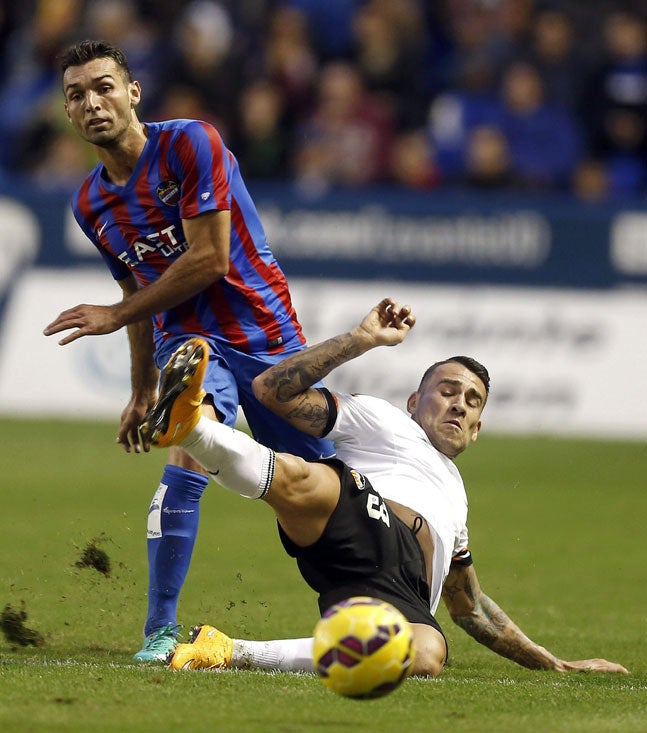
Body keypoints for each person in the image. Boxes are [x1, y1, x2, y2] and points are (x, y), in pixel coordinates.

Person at [140, 298, 628, 677]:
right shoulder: (381, 420)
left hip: (395, 590)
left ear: (477, 428)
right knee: (307, 477)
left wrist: (551, 662)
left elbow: (471, 607)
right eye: (447, 391)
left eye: (472, 401)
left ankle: (228, 651)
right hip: (361, 518)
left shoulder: (457, 500)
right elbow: (271, 392)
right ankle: (193, 429)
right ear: (416, 400)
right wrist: (361, 338)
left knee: (427, 654)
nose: (459, 404)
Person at [42, 39, 333, 662]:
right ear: (67, 112)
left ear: (133, 92)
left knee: (324, 487)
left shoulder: (190, 143)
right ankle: (160, 631)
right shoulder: (90, 203)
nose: (92, 103)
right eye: (76, 94)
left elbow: (210, 258)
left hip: (268, 336)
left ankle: (366, 601)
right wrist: (142, 387)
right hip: (190, 344)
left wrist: (116, 314)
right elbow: (137, 291)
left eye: (103, 87)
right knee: (188, 447)